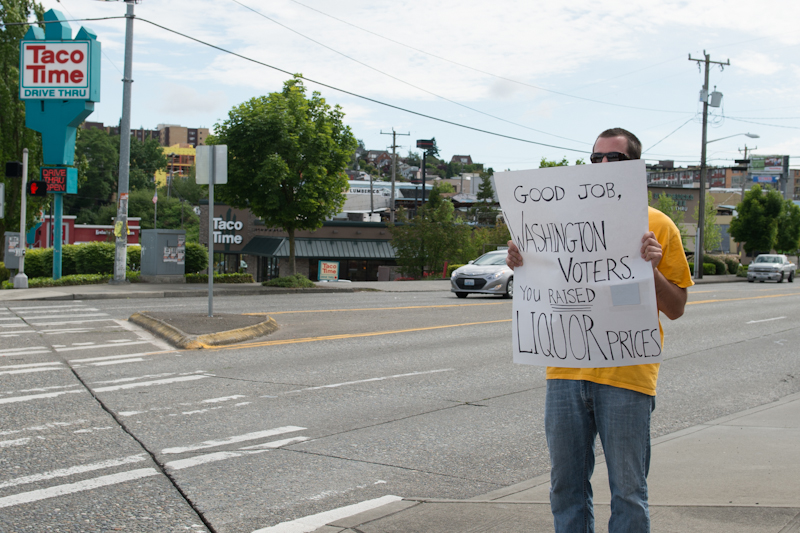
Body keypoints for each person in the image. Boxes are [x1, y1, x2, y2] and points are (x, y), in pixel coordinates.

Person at [505, 128, 693, 532]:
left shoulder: (658, 225)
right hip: (564, 372)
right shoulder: (555, 219)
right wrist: (522, 262)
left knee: (628, 491)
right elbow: (548, 283)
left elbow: (675, 308)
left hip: (628, 373)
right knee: (564, 487)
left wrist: (652, 270)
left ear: (636, 168)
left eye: (615, 159)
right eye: (597, 159)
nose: (604, 165)